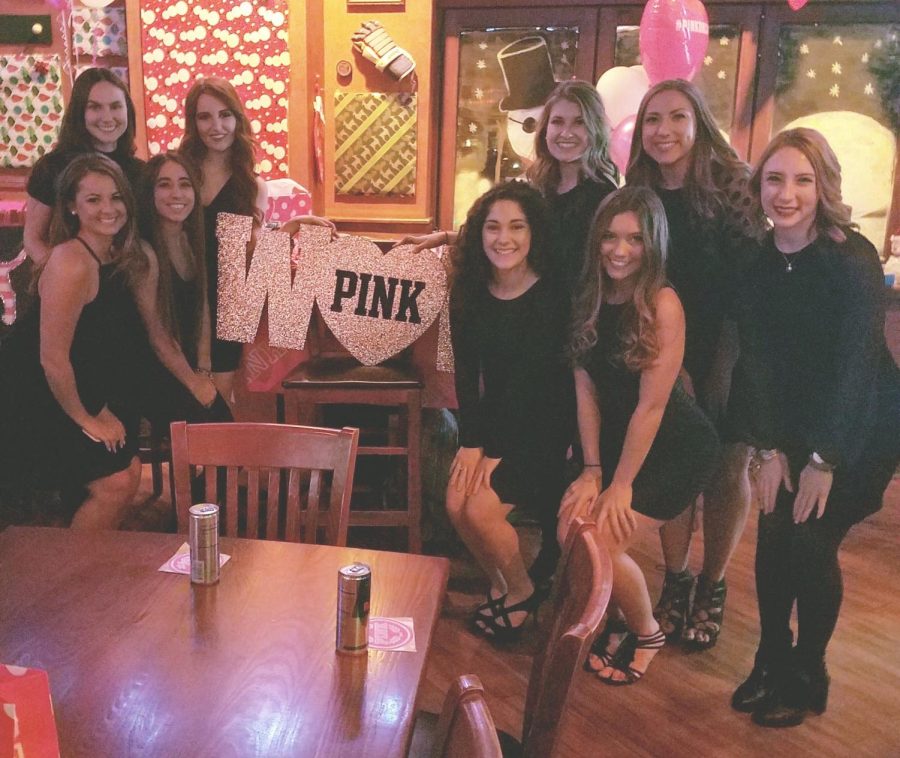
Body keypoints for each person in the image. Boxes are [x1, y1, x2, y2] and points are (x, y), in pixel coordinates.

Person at [401, 79, 619, 586]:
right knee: (462, 496)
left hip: (568, 345)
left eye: (577, 122)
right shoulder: (540, 186)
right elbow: (503, 229)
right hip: (527, 339)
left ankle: (527, 586)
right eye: (557, 122)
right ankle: (514, 586)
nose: (566, 133)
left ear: (595, 130)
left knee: (492, 497)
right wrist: (452, 237)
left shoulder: (604, 196)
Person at [730, 128, 900, 727]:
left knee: (809, 542)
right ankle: (770, 655)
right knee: (774, 535)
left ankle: (808, 669)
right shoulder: (754, 260)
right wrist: (768, 447)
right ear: (759, 188)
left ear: (822, 186)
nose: (786, 193)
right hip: (789, 426)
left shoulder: (851, 259)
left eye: (802, 179)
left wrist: (824, 460)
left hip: (859, 427)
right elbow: (757, 363)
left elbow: (855, 369)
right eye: (774, 179)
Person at [559, 185, 719, 685]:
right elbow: (584, 387)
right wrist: (591, 469)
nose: (620, 250)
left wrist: (621, 483)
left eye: (634, 239)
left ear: (653, 244)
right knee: (571, 533)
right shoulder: (589, 294)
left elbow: (651, 406)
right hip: (616, 444)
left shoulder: (663, 304)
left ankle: (645, 630)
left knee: (600, 547)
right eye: (609, 237)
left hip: (675, 449)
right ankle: (621, 619)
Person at [625, 79, 764, 650]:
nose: (664, 130)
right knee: (677, 463)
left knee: (728, 469)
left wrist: (722, 367)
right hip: (664, 347)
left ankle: (713, 584)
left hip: (734, 349)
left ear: (698, 121)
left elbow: (748, 287)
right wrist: (666, 361)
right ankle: (677, 579)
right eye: (652, 119)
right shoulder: (638, 191)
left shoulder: (736, 188)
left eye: (676, 117)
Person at [446, 181, 574, 641]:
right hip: (496, 423)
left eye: (517, 227)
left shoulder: (552, 297)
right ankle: (502, 584)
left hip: (545, 427)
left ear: (534, 232)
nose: (505, 238)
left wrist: (493, 451)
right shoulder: (470, 290)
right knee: (454, 502)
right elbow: (466, 372)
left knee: (480, 509)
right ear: (479, 234)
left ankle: (523, 592)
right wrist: (471, 442)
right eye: (493, 227)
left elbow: (531, 385)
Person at [0, 155, 147, 528]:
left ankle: (85, 564)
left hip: (66, 386)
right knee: (118, 481)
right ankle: (76, 576)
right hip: (26, 398)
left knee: (127, 470)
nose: (108, 209)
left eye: (116, 197)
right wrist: (87, 416)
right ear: (71, 206)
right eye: (93, 199)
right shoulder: (71, 262)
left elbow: (93, 348)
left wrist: (99, 405)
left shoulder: (115, 256)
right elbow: (51, 359)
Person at [179, 77, 268, 405]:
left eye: (225, 115)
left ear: (237, 119)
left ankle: (216, 459)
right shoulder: (179, 174)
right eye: (204, 116)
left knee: (219, 400)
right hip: (181, 298)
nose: (216, 126)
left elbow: (252, 251)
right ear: (193, 122)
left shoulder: (253, 186)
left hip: (229, 303)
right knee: (183, 401)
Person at [134, 153, 230, 423]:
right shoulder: (144, 253)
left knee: (227, 433)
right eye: (164, 184)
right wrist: (193, 382)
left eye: (185, 184)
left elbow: (203, 307)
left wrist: (204, 369)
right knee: (219, 438)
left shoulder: (192, 238)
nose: (176, 193)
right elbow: (157, 334)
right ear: (149, 194)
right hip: (151, 371)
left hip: (186, 365)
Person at [24, 68, 144, 267]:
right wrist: (66, 276)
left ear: (128, 111)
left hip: (124, 286)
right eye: (95, 107)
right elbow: (33, 239)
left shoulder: (140, 171)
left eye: (115, 106)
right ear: (80, 113)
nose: (107, 117)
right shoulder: (52, 167)